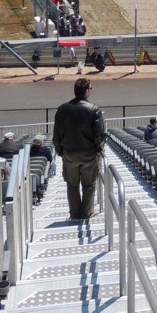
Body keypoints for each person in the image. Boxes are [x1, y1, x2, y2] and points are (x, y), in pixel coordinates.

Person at [53, 78, 107, 221]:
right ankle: (87, 214)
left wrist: (60, 152)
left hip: (69, 153)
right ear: (87, 91)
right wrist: (98, 149)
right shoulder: (93, 109)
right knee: (89, 186)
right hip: (89, 154)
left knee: (72, 186)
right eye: (91, 88)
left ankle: (75, 214)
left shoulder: (62, 109)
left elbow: (56, 134)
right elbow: (99, 134)